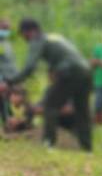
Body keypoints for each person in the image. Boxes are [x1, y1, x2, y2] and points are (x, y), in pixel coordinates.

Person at [1, 19, 92, 151]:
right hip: (85, 71)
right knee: (82, 110)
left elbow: (29, 67)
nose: (25, 39)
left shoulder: (38, 40)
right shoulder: (53, 37)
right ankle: (87, 148)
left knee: (50, 105)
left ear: (29, 31)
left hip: (71, 72)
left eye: (23, 35)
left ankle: (49, 144)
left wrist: (10, 81)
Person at [0, 19, 17, 128]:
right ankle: (8, 121)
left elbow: (10, 62)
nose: (6, 31)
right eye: (3, 29)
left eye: (7, 29)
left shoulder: (6, 43)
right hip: (2, 79)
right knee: (4, 101)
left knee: (5, 101)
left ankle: (9, 122)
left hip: (9, 78)